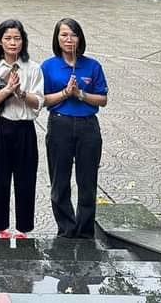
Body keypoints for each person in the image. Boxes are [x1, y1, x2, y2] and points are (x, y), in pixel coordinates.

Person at [41, 17, 109, 239]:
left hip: (88, 127)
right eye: (63, 35)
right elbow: (43, 100)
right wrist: (65, 93)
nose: (68, 39)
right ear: (57, 38)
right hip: (60, 124)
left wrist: (81, 94)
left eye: (73, 34)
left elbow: (102, 99)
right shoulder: (48, 66)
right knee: (60, 181)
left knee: (87, 181)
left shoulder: (92, 66)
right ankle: (67, 229)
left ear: (80, 38)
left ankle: (85, 230)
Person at [0, 19, 43, 239]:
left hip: (25, 129)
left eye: (17, 38)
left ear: (23, 41)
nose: (13, 43)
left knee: (26, 178)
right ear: (0, 41)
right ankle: (2, 227)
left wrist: (22, 94)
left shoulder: (33, 68)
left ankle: (23, 228)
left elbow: (39, 102)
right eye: (8, 38)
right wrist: (8, 90)